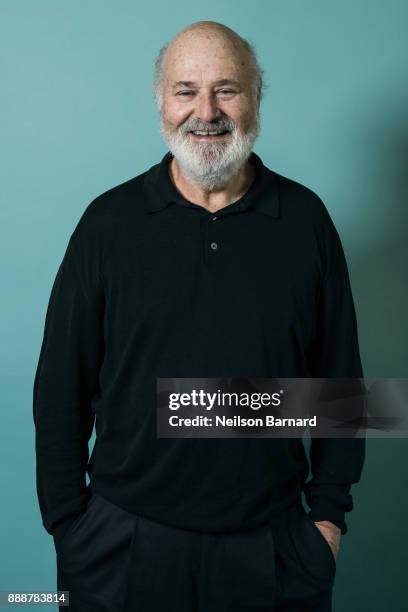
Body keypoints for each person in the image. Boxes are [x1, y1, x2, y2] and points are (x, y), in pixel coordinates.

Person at [33, 20, 365, 612]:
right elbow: (60, 386)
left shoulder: (306, 221)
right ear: (161, 99)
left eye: (227, 89)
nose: (206, 110)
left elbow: (341, 385)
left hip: (275, 546)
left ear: (257, 95)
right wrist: (69, 525)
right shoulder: (107, 225)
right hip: (121, 546)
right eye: (186, 90)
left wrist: (328, 520)